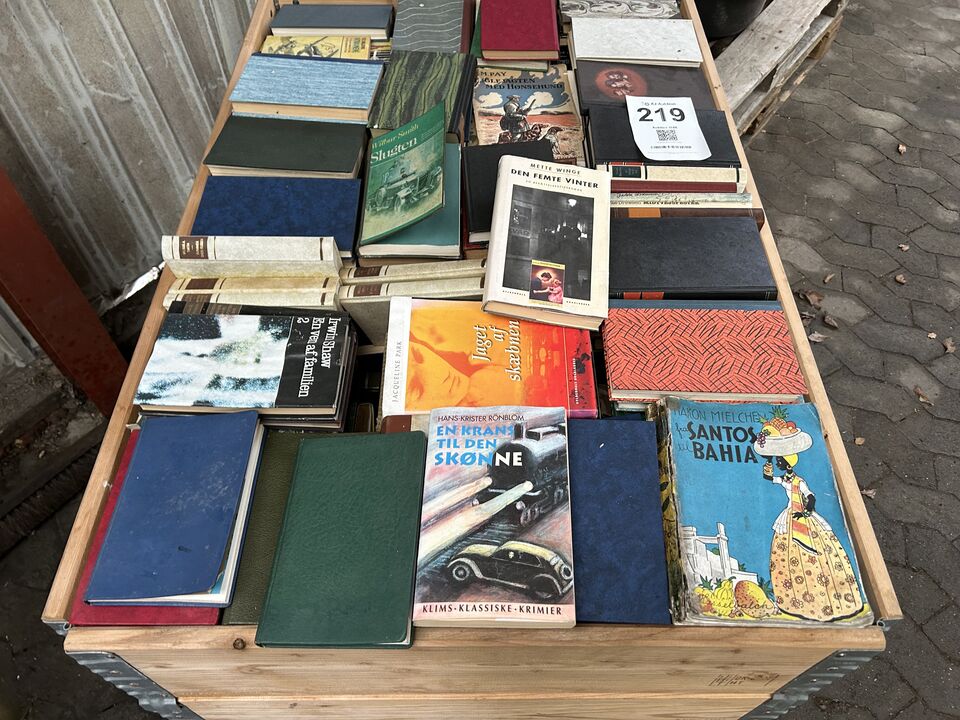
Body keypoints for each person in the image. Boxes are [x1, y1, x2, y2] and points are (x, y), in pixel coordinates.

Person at [753, 410, 866, 622]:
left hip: (802, 516)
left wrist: (807, 510)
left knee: (818, 555)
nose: (778, 464)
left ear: (787, 463)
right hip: (791, 515)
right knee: (786, 557)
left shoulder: (799, 481)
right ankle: (792, 601)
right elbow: (769, 479)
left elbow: (811, 496)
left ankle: (829, 600)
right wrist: (767, 464)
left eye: (780, 462)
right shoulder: (786, 480)